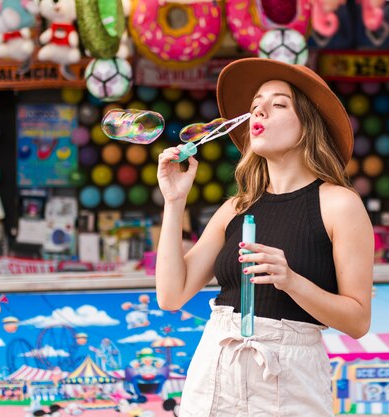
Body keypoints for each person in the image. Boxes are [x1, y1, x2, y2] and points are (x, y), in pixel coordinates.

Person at [156, 57, 374, 417]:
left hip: (290, 380)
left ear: (308, 125)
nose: (259, 112)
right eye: (256, 105)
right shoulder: (235, 208)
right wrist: (174, 201)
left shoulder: (340, 205)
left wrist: (290, 281)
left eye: (278, 104)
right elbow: (171, 294)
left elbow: (358, 321)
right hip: (216, 370)